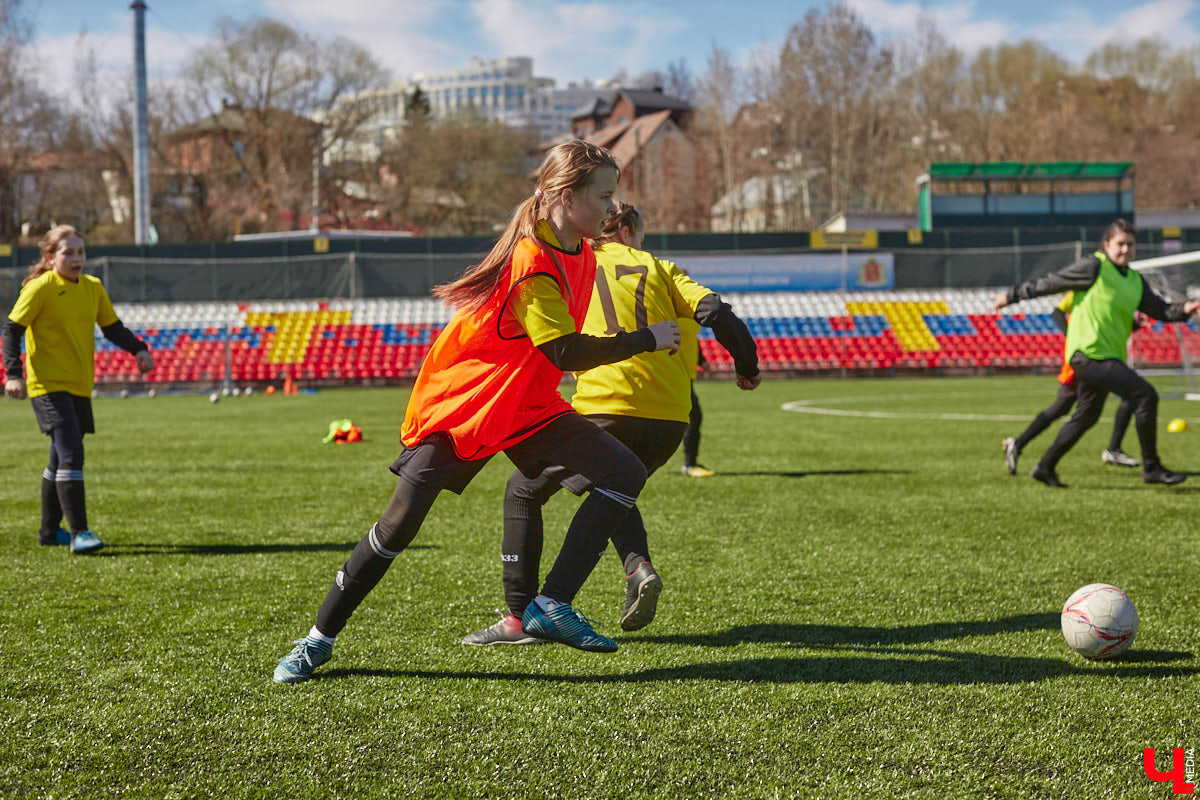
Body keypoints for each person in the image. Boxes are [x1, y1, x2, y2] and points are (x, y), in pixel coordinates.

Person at [273, 142, 681, 683]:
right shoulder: (532, 260)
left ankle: (550, 604)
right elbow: (565, 351)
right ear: (563, 196)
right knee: (398, 525)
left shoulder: (580, 249)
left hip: (525, 402)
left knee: (623, 472)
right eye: (603, 195)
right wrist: (646, 338)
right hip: (465, 403)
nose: (613, 208)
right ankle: (316, 641)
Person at [462, 201, 760, 646]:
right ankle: (638, 566)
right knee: (613, 487)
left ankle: (521, 618)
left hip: (603, 406)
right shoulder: (658, 267)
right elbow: (717, 313)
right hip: (669, 420)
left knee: (523, 488)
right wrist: (747, 366)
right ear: (626, 231)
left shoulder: (571, 265)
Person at [992, 219, 1199, 488]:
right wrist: (1012, 296)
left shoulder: (1135, 280)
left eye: (1130, 244)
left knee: (1086, 416)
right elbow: (1051, 282)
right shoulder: (1094, 266)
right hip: (1088, 354)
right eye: (1120, 244)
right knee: (1145, 395)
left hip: (1107, 356)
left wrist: (1186, 309)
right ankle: (1152, 468)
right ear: (1107, 245)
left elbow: (1160, 310)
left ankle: (1045, 467)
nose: (1125, 249)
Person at [3, 225, 154, 554]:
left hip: (79, 384)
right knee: (72, 453)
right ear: (50, 257)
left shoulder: (92, 287)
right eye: (67, 252)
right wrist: (13, 374)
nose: (76, 258)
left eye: (80, 252)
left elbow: (111, 327)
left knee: (60, 458)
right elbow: (12, 330)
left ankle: (48, 531)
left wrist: (139, 348)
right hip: (46, 385)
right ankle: (79, 533)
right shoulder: (39, 288)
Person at [1002, 291, 1142, 475]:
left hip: (1100, 355)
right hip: (1084, 357)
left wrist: (1133, 324)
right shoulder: (1084, 290)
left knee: (1073, 407)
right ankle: (1111, 450)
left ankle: (1020, 446)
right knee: (1070, 407)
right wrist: (1073, 337)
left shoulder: (1104, 291)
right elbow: (1057, 311)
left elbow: (1107, 325)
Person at [678, 315, 716, 477]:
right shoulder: (670, 309)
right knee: (694, 416)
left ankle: (690, 464)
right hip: (673, 372)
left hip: (686, 374)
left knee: (691, 417)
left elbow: (690, 339)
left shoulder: (691, 314)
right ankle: (690, 465)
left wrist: (701, 360)